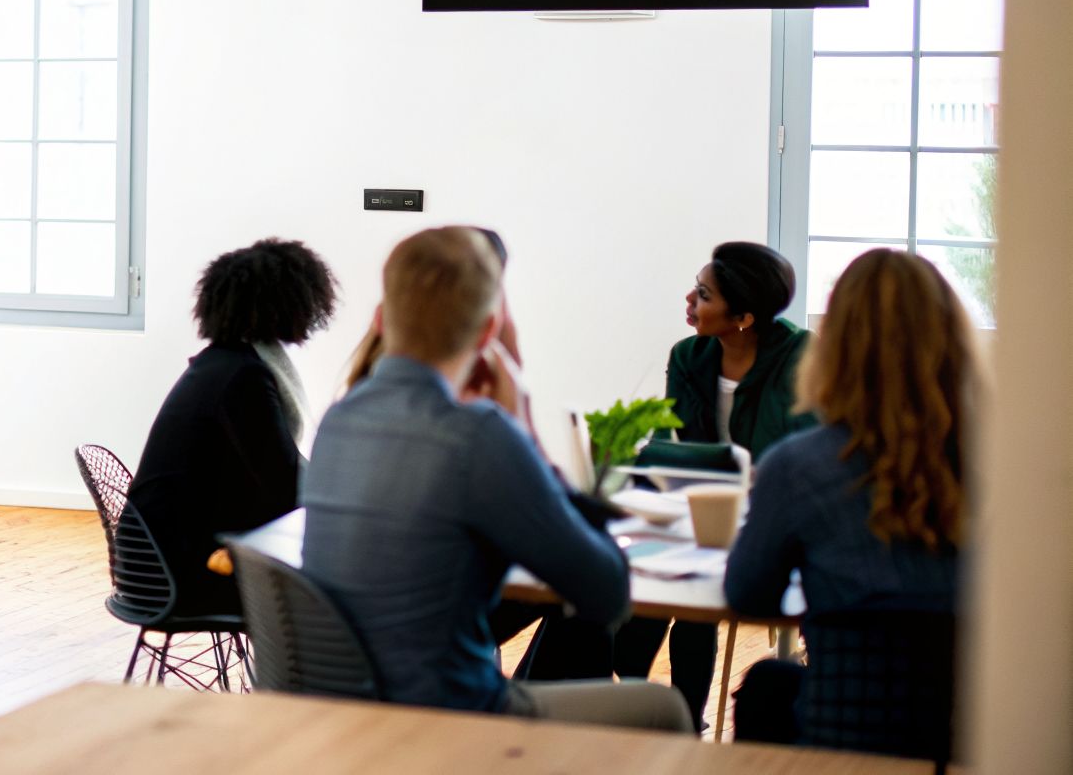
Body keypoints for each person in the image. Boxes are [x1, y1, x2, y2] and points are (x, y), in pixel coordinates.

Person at [303, 226, 690, 731]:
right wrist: (523, 426)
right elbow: (607, 594)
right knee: (662, 708)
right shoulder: (478, 435)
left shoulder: (340, 418)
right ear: (488, 333)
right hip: (446, 717)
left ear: (380, 319)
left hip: (340, 710)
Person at [725, 249, 974, 754]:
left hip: (841, 739)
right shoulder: (1011, 471)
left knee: (769, 684)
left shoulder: (797, 466)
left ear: (835, 350)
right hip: (978, 742)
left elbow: (748, 594)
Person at [612, 241, 814, 723]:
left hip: (771, 512)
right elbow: (669, 441)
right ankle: (661, 706)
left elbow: (797, 447)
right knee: (663, 579)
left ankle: (680, 712)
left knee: (692, 595)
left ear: (742, 316)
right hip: (701, 505)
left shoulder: (799, 354)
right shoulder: (688, 355)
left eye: (703, 295)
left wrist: (724, 472)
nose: (689, 300)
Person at [127, 239, 337, 616]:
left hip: (159, 558)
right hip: (179, 575)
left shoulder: (221, 364)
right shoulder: (243, 378)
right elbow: (284, 481)